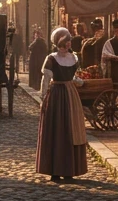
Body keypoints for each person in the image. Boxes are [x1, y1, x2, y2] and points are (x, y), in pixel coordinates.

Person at [36, 27, 88, 181]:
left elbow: (72, 77)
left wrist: (80, 82)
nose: (68, 44)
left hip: (70, 95)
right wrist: (43, 97)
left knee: (72, 129)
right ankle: (55, 170)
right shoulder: (51, 59)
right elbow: (45, 80)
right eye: (65, 41)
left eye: (68, 41)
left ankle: (69, 170)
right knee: (57, 129)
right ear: (59, 43)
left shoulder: (73, 58)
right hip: (56, 95)